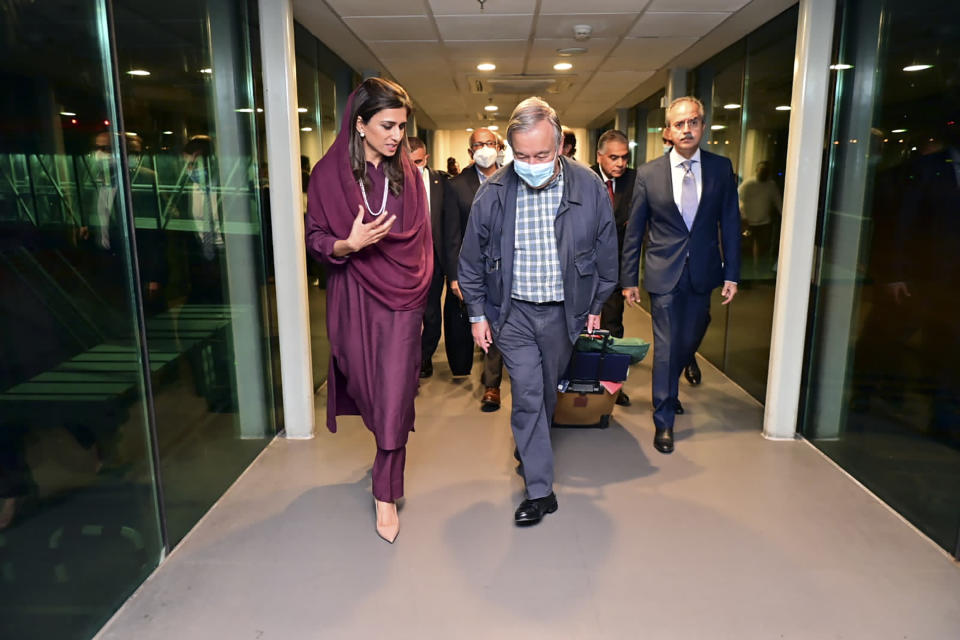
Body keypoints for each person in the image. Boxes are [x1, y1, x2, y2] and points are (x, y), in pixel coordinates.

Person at [459, 97, 618, 525]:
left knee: (547, 391)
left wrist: (596, 304)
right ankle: (540, 490)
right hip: (513, 314)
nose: (532, 163)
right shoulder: (492, 193)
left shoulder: (587, 186)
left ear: (561, 144)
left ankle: (530, 444)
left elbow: (606, 251)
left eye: (542, 155)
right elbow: (470, 262)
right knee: (527, 393)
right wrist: (477, 314)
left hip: (564, 313)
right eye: (523, 155)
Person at [305, 78, 432, 543]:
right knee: (366, 386)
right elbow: (314, 238)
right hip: (353, 295)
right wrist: (347, 244)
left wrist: (419, 290)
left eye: (401, 125)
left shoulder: (411, 175)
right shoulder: (327, 175)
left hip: (402, 298)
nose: (397, 135)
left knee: (395, 393)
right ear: (360, 124)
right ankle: (384, 444)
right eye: (386, 125)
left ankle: (385, 489)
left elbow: (421, 239)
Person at [621, 96, 740, 454]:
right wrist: (629, 278)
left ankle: (670, 383)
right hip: (663, 272)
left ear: (702, 126)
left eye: (693, 122)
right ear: (668, 132)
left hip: (704, 271)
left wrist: (732, 273)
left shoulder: (721, 168)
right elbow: (635, 230)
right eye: (679, 124)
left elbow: (730, 224)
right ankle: (664, 418)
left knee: (692, 335)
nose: (686, 129)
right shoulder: (648, 173)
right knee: (667, 345)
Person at [444, 127, 504, 409]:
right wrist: (454, 277)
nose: (484, 149)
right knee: (486, 319)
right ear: (470, 152)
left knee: (504, 322)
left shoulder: (512, 178)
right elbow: (451, 234)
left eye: (489, 143)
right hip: (474, 267)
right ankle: (492, 385)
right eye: (478, 145)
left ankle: (495, 380)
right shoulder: (456, 186)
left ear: (499, 147)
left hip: (507, 264)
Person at [591, 129, 636, 407]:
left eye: (625, 158)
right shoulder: (583, 178)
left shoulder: (634, 180)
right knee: (581, 329)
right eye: (614, 158)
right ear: (600, 157)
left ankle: (611, 386)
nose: (620, 163)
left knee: (613, 327)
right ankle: (581, 380)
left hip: (616, 269)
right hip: (583, 270)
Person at [408, 136, 449, 379]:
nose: (414, 167)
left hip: (433, 255)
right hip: (404, 258)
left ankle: (425, 356)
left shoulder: (441, 182)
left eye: (418, 162)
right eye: (409, 162)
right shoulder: (393, 181)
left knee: (431, 311)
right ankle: (407, 357)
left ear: (426, 158)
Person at [738, 161, 782, 271]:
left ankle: (759, 271)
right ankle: (747, 273)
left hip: (764, 222)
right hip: (748, 223)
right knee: (746, 250)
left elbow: (778, 202)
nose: (763, 173)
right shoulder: (747, 184)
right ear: (757, 171)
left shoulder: (771, 185)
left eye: (766, 171)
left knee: (763, 248)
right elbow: (738, 201)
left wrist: (785, 216)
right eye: (761, 171)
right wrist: (743, 217)